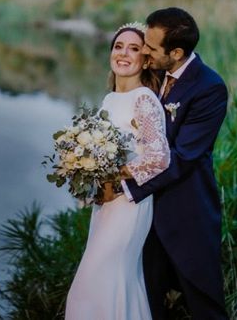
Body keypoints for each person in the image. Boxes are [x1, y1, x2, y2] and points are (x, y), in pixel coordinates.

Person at [117, 7, 229, 320]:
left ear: (176, 53)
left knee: (204, 303)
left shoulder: (209, 88)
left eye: (151, 48)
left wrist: (124, 185)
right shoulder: (152, 75)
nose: (145, 52)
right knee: (148, 301)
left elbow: (183, 157)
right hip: (143, 215)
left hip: (186, 213)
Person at [65, 23, 170, 320]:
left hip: (129, 204)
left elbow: (159, 158)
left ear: (145, 60)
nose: (123, 54)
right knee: (108, 282)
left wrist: (114, 177)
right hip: (105, 203)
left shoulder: (144, 99)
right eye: (118, 46)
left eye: (134, 48)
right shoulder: (110, 99)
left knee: (97, 280)